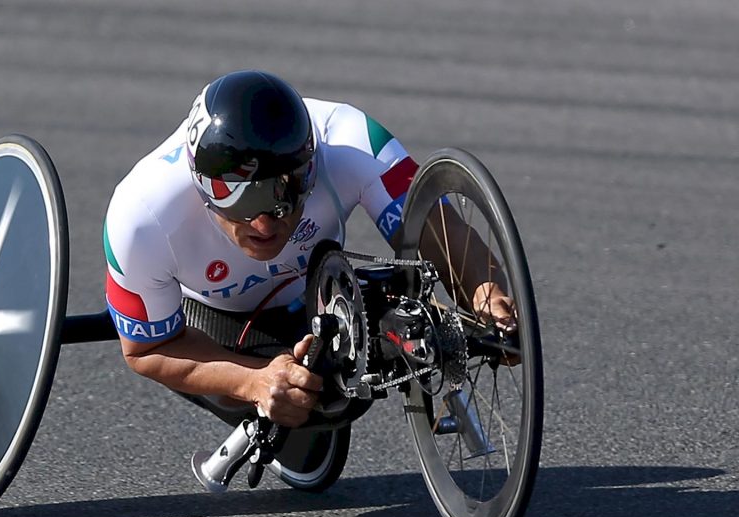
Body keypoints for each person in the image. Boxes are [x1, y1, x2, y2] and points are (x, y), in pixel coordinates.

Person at [103, 70, 515, 439]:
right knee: (298, 401)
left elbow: (442, 231)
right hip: (211, 317)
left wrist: (485, 293)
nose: (264, 225)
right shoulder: (140, 216)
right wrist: (253, 382)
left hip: (317, 291)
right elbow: (146, 350)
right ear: (202, 186)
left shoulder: (352, 143)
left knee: (358, 360)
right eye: (238, 201)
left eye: (285, 197)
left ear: (311, 167)